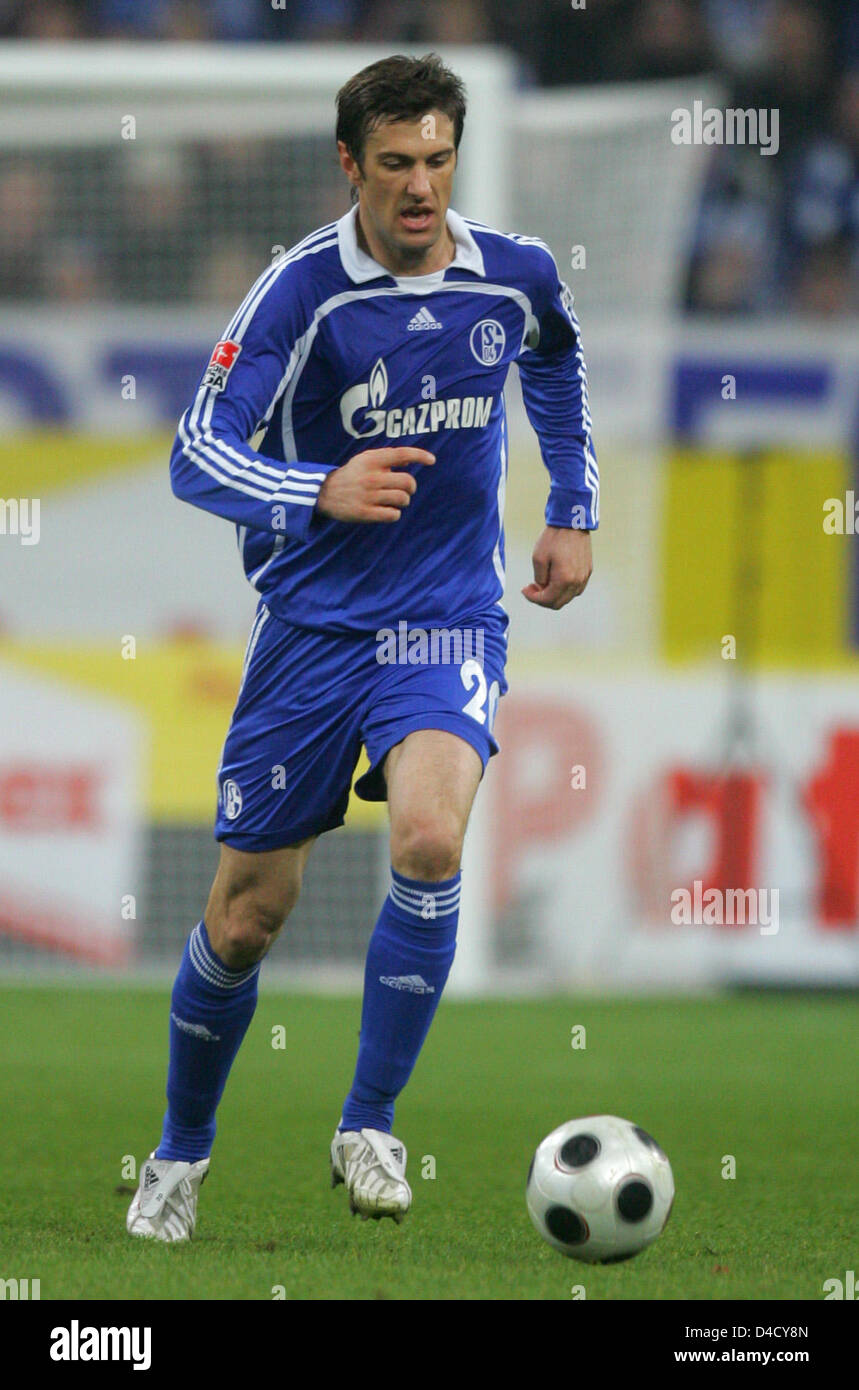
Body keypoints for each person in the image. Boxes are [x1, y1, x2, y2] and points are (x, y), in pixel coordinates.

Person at [126, 51, 598, 1242]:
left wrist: (572, 506)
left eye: (438, 160)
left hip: (445, 613)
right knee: (246, 916)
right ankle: (180, 1153)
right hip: (312, 626)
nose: (421, 188)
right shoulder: (299, 293)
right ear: (351, 167)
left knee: (432, 838)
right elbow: (196, 451)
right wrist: (312, 488)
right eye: (395, 165)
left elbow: (554, 353)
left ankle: (371, 1119)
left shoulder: (515, 274)